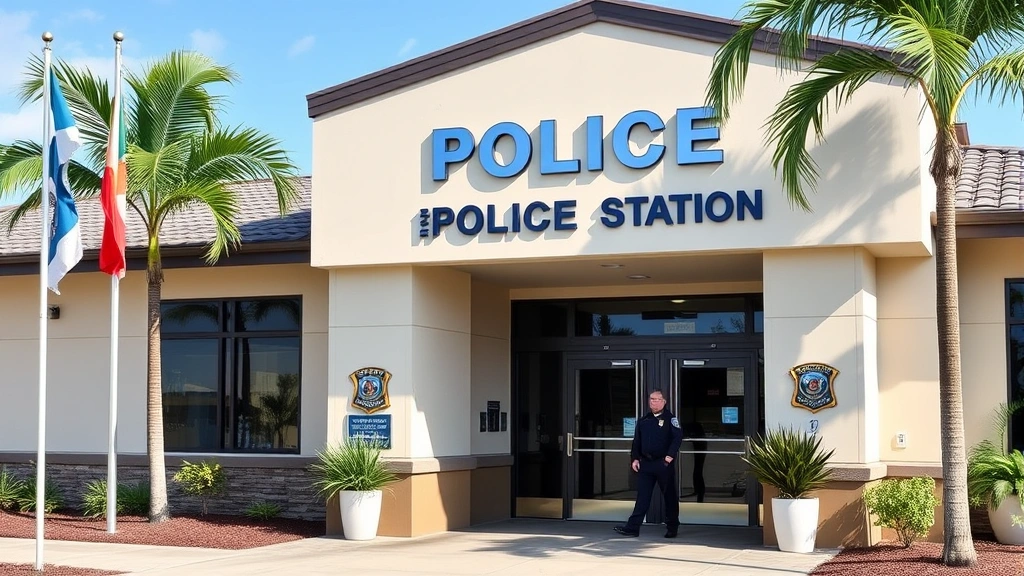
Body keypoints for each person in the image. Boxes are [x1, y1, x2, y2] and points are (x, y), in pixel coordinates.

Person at [613, 389, 683, 538]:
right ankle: (633, 528)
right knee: (642, 497)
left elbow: (677, 438)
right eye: (651, 399)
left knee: (669, 496)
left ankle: (672, 527)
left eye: (657, 399)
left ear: (664, 401)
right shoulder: (644, 420)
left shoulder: (671, 419)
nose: (654, 402)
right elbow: (636, 441)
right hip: (646, 464)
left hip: (663, 464)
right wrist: (635, 458)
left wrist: (669, 457)